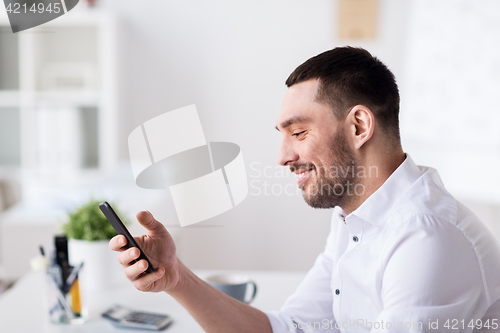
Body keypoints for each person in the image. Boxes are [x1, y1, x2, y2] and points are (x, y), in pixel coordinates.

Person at [109, 47, 500, 332]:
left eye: (298, 133)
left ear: (360, 126)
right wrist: (176, 278)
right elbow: (287, 328)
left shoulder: (427, 236)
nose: (282, 157)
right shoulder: (355, 217)